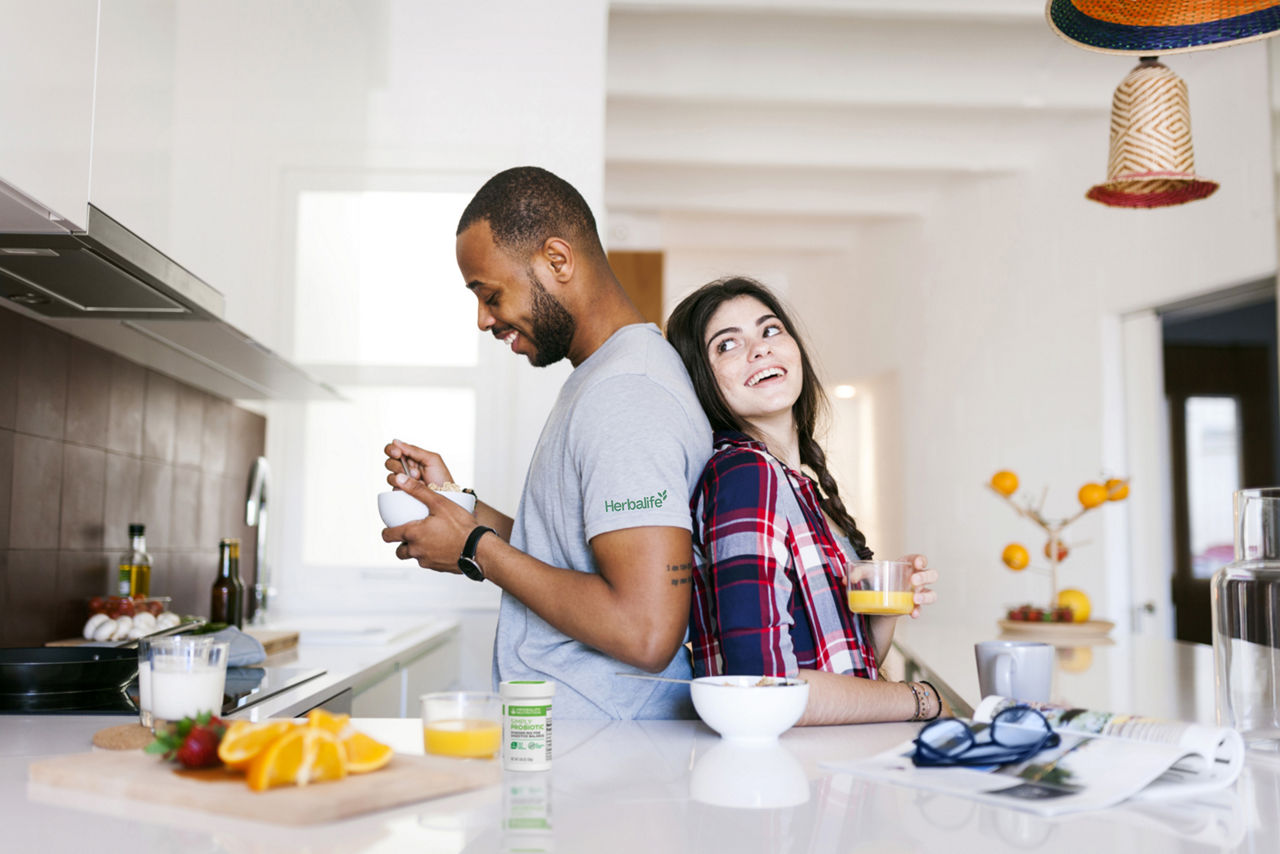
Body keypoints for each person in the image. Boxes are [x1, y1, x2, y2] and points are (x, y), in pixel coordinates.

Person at [380, 166, 713, 719]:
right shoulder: (606, 376)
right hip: (593, 745)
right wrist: (461, 510)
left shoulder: (627, 395)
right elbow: (574, 560)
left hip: (607, 757)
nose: (483, 319)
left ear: (557, 261)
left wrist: (473, 547)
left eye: (490, 294)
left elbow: (645, 631)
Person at [665, 276, 946, 724]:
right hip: (793, 779)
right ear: (702, 377)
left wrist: (887, 608)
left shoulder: (799, 485)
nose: (760, 350)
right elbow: (762, 688)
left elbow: (847, 664)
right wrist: (921, 699)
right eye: (727, 345)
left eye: (770, 329)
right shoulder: (743, 475)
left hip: (828, 767)